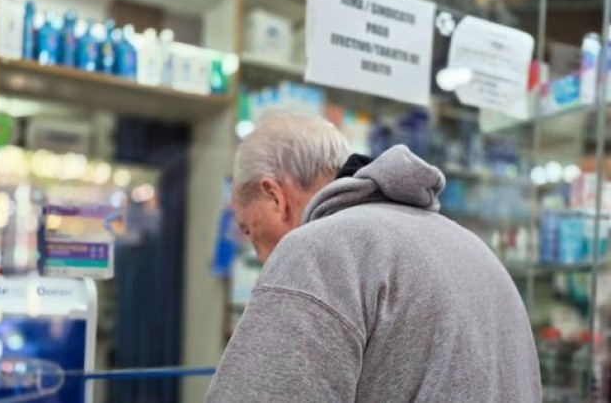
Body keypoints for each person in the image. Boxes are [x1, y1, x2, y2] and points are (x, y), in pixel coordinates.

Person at [206, 114, 541, 402]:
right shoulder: (471, 247)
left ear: (274, 196)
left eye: (247, 228)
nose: (260, 255)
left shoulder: (317, 249)